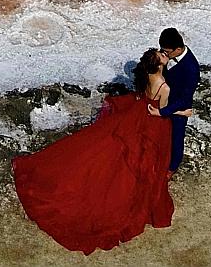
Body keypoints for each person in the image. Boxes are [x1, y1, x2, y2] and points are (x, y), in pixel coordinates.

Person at [12, 49, 174, 253]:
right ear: (158, 65)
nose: (165, 55)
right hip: (152, 123)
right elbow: (163, 111)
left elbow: (146, 97)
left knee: (108, 151)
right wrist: (183, 110)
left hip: (137, 113)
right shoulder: (164, 87)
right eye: (163, 55)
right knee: (146, 162)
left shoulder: (149, 78)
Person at [152, 27, 199, 174]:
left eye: (166, 51)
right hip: (161, 100)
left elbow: (184, 98)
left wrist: (163, 112)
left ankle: (170, 170)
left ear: (178, 49)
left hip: (178, 109)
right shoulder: (167, 54)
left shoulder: (191, 69)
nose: (162, 54)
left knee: (176, 141)